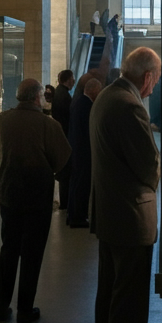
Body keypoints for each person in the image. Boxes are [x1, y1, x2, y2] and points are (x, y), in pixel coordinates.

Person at [90, 47, 162, 323]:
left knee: (109, 302)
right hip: (130, 219)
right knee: (128, 311)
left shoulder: (107, 95)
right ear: (148, 77)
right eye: (156, 80)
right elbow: (148, 167)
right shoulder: (129, 105)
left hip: (110, 216)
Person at [0, 78, 71, 323]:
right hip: (37, 197)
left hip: (9, 194)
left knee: (9, 249)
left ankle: (1, 307)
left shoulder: (1, 120)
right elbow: (63, 161)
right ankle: (25, 309)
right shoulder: (48, 125)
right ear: (37, 98)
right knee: (32, 254)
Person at [66, 75, 102, 227]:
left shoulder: (78, 102)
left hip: (76, 149)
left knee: (76, 183)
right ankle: (78, 217)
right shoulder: (86, 106)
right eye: (99, 91)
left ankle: (73, 214)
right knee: (82, 184)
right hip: (83, 151)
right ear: (92, 90)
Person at [51, 69, 75, 209]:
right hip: (65, 136)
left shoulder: (59, 93)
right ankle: (65, 203)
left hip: (62, 135)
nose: (74, 81)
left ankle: (64, 201)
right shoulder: (64, 96)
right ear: (67, 80)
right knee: (66, 172)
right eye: (72, 78)